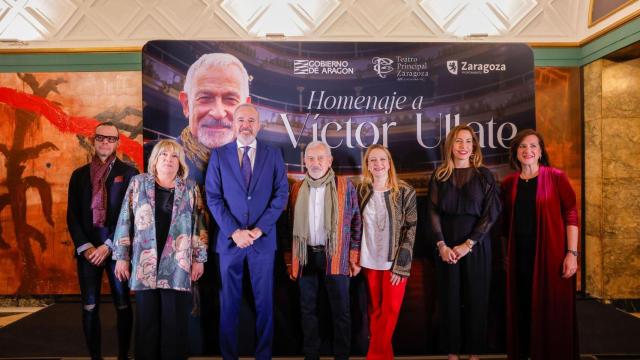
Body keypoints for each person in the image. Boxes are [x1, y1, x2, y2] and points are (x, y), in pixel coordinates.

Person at [205, 103, 289, 360]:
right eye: (241, 119)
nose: (246, 125)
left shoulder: (273, 155)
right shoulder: (219, 155)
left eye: (251, 120)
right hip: (230, 244)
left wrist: (259, 229)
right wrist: (234, 232)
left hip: (262, 243)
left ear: (259, 125)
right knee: (229, 304)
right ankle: (229, 356)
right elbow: (213, 197)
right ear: (233, 123)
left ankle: (263, 356)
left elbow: (281, 194)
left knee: (265, 305)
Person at [113, 140, 208, 360]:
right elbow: (124, 220)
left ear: (180, 163)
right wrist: (122, 257)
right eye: (163, 155)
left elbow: (200, 223)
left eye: (174, 156)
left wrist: (199, 258)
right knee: (147, 323)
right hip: (145, 263)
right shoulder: (138, 183)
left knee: (174, 324)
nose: (168, 159)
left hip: (178, 266)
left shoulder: (190, 187)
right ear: (154, 160)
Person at [501, 129, 579, 360]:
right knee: (523, 308)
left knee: (552, 309)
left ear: (541, 151)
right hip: (520, 258)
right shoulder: (509, 183)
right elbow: (504, 224)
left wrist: (572, 254)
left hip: (551, 256)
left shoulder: (556, 177)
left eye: (533, 146)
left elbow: (571, 214)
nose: (528, 151)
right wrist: (505, 255)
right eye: (523, 146)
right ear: (515, 152)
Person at [427, 125, 501, 360]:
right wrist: (442, 245)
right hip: (446, 246)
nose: (463, 146)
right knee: (449, 298)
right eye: (459, 141)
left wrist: (468, 244)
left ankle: (474, 353)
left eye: (468, 141)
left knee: (476, 297)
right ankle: (452, 352)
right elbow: (432, 212)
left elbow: (491, 213)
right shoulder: (440, 175)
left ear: (474, 146)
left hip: (476, 246)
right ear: (451, 146)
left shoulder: (484, 175)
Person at [67, 121, 138, 360]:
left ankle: (122, 356)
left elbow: (131, 215)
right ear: (93, 140)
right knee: (89, 306)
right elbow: (72, 215)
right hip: (87, 252)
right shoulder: (78, 176)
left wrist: (109, 246)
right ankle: (95, 357)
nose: (105, 142)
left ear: (118, 143)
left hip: (117, 252)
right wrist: (86, 247)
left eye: (110, 139)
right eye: (100, 138)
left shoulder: (129, 174)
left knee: (123, 305)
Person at [288, 140, 362, 360]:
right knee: (307, 310)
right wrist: (289, 260)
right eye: (311, 158)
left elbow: (356, 222)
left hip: (336, 255)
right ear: (305, 161)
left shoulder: (345, 186)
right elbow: (289, 225)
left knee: (341, 311)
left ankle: (342, 355)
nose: (315, 162)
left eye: (320, 158)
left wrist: (354, 257)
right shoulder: (297, 188)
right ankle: (311, 354)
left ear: (329, 161)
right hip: (305, 256)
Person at [145, 52, 251, 184]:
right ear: (186, 105)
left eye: (231, 99)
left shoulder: (261, 169)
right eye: (205, 98)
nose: (218, 113)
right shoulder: (148, 157)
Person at [355, 144, 417, 360]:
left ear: (389, 163)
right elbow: (354, 225)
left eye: (382, 159)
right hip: (368, 259)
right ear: (367, 165)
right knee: (375, 310)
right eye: (373, 160)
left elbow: (411, 229)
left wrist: (401, 265)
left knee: (390, 310)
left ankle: (374, 356)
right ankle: (384, 356)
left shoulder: (405, 191)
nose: (378, 164)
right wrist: (354, 257)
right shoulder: (361, 190)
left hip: (394, 262)